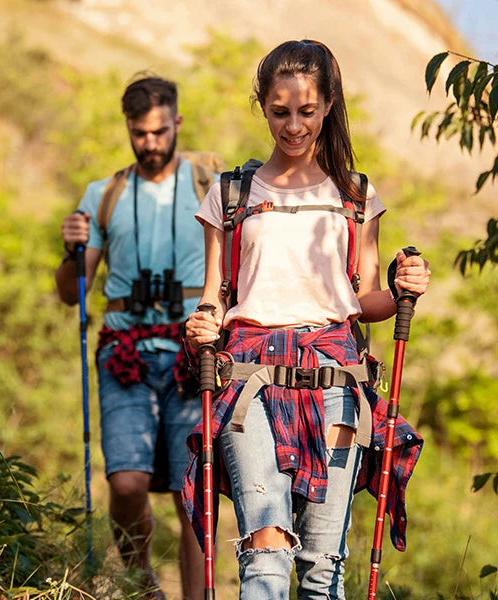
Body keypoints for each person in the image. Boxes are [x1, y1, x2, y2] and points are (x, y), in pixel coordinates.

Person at [182, 40, 431, 600]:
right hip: (249, 379)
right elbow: (215, 297)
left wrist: (400, 288)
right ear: (263, 106)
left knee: (322, 566)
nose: (293, 126)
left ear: (329, 106)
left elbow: (363, 296)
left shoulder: (355, 194)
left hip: (336, 381)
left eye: (306, 111)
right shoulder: (231, 194)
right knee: (265, 554)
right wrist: (201, 322)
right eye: (279, 111)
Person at [56, 75, 222, 600]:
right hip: (124, 353)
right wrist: (71, 249)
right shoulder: (102, 195)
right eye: (138, 133)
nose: (149, 143)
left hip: (193, 354)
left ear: (176, 122)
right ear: (128, 129)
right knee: (125, 483)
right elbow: (70, 292)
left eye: (158, 131)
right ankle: (143, 585)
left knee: (192, 491)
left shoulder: (210, 182)